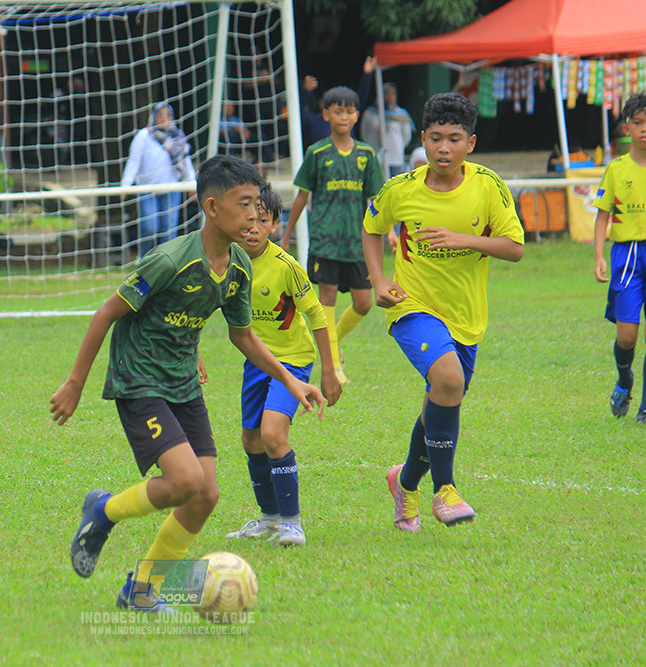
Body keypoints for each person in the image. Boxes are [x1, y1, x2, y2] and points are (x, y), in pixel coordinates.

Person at [50, 155, 326, 611]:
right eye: (245, 204)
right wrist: (76, 382)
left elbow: (243, 336)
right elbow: (107, 313)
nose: (255, 215)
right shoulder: (170, 260)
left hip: (182, 383)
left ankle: (141, 590)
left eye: (258, 204)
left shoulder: (239, 264)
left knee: (206, 495)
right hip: (139, 379)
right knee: (184, 481)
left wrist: (292, 382)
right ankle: (103, 510)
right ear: (212, 207)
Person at [361, 92, 524, 532]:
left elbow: (515, 248)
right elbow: (372, 227)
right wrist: (378, 280)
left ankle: (404, 482)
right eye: (436, 139)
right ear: (423, 140)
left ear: (471, 143)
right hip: (411, 308)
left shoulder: (488, 186)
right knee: (448, 380)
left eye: (454, 139)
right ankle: (445, 490)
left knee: (443, 396)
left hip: (466, 318)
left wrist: (463, 239)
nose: (444, 149)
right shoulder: (402, 189)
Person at [224, 184, 340, 547]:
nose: (254, 227)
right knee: (252, 440)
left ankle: (293, 523)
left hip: (293, 363)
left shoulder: (285, 266)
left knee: (273, 435)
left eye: (263, 220)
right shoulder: (227, 262)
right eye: (249, 220)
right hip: (255, 361)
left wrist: (328, 369)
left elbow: (317, 315)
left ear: (274, 224)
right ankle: (270, 517)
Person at [279, 86, 386, 386]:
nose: (343, 116)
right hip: (325, 240)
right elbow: (302, 196)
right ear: (326, 115)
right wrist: (287, 235)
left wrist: (389, 232)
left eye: (349, 111)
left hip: (358, 243)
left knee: (364, 303)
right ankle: (335, 366)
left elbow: (377, 201)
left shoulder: (366, 155)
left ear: (357, 115)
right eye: (337, 110)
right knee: (326, 297)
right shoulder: (317, 153)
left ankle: (333, 337)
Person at [594, 90, 646, 424]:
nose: (644, 129)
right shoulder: (616, 169)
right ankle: (625, 380)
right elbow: (602, 215)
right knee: (627, 336)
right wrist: (599, 256)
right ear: (626, 128)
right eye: (637, 122)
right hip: (627, 257)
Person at [121, 102, 196, 258]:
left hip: (171, 189)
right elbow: (133, 161)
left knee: (169, 229)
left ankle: (169, 261)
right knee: (149, 227)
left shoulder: (177, 136)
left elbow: (185, 160)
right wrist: (125, 185)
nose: (163, 118)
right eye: (160, 114)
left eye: (166, 115)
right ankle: (145, 259)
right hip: (147, 189)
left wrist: (191, 182)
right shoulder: (144, 136)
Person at [361, 82, 414, 177]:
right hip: (376, 155)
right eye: (386, 92)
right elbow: (365, 133)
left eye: (392, 93)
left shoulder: (401, 114)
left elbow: (406, 136)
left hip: (395, 157)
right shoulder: (370, 113)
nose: (389, 96)